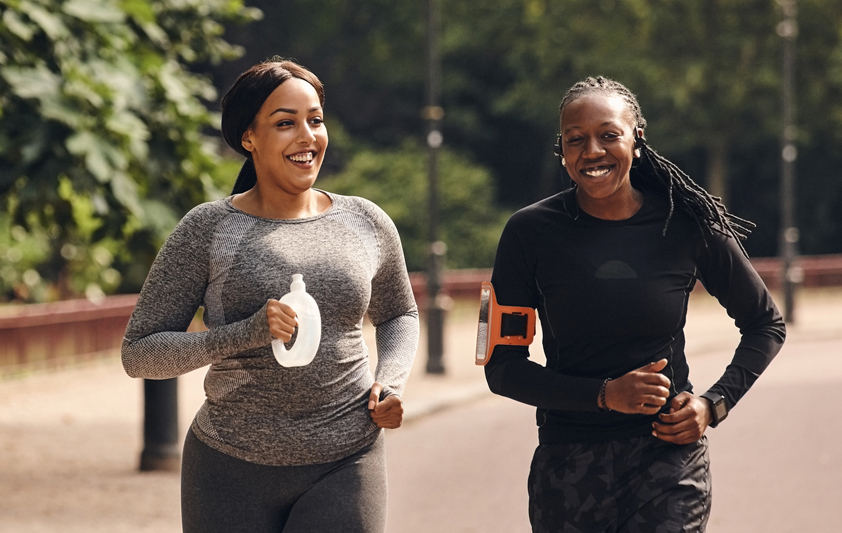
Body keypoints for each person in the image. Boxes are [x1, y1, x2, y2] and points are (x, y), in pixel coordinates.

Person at [121, 58, 419, 533]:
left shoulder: (365, 221)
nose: (307, 137)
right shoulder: (208, 228)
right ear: (249, 138)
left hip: (347, 458)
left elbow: (399, 312)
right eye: (286, 123)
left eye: (315, 120)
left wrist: (392, 381)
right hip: (228, 468)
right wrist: (246, 333)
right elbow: (140, 355)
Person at [483, 76, 786, 532]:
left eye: (609, 135)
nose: (593, 151)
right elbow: (502, 368)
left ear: (636, 141)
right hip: (569, 467)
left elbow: (766, 324)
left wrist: (712, 405)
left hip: (667, 461)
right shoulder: (529, 234)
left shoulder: (684, 222)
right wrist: (604, 395)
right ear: (561, 151)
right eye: (576, 140)